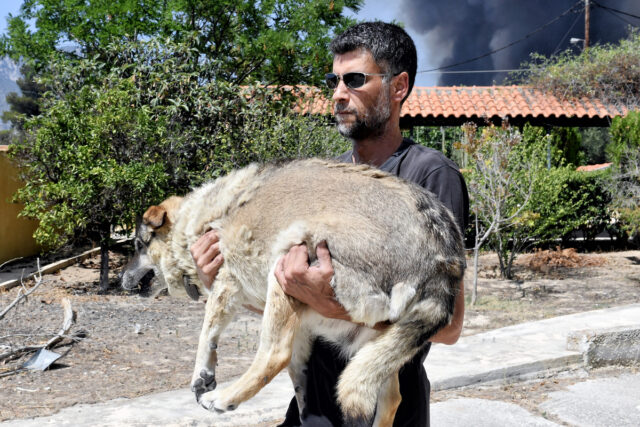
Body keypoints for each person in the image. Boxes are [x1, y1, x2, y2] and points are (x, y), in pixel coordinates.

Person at [190, 22, 468, 427]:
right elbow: (287, 295)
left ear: (398, 86)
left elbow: (448, 326)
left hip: (385, 410)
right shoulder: (328, 178)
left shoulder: (430, 175)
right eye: (333, 81)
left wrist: (332, 305)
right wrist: (218, 278)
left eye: (354, 80)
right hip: (310, 408)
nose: (338, 94)